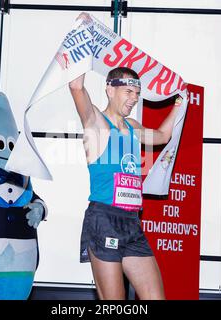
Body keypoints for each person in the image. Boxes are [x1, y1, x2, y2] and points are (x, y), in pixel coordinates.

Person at [69, 63, 181, 299]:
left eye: (137, 94)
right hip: (104, 219)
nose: (134, 99)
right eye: (129, 92)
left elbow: (162, 135)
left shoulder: (132, 127)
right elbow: (76, 85)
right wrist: (82, 40)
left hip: (132, 223)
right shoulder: (96, 123)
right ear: (110, 89)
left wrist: (179, 104)